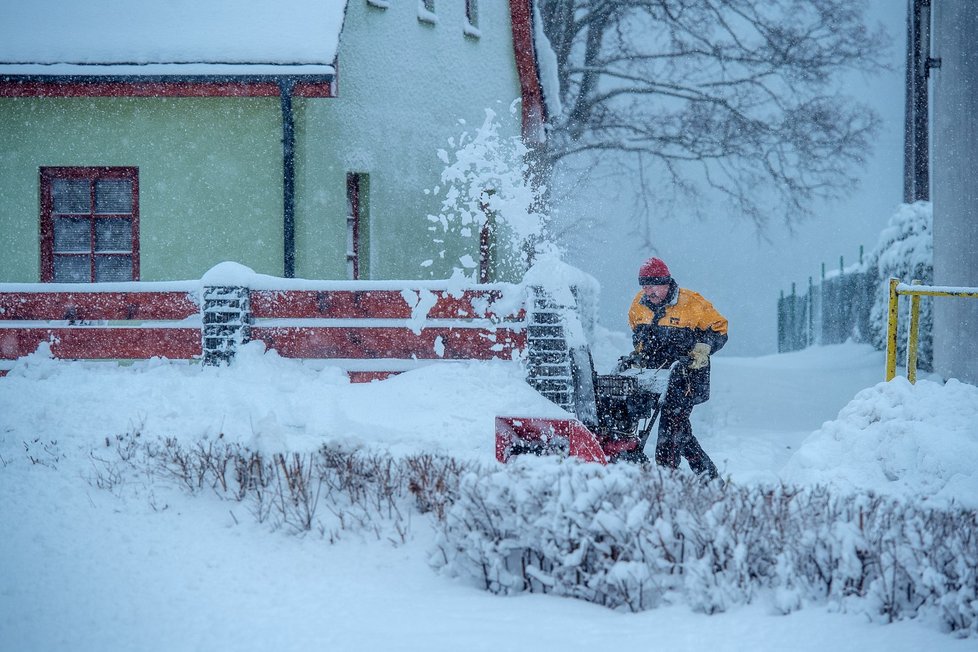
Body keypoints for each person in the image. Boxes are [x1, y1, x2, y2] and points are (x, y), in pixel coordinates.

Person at [622, 257, 728, 480]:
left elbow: (720, 329)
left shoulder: (692, 303)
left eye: (652, 285)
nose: (647, 291)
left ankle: (666, 478)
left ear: (666, 283)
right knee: (680, 430)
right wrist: (638, 354)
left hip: (686, 377)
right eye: (643, 285)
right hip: (653, 375)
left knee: (670, 429)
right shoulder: (638, 304)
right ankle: (709, 477)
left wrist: (702, 348)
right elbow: (637, 333)